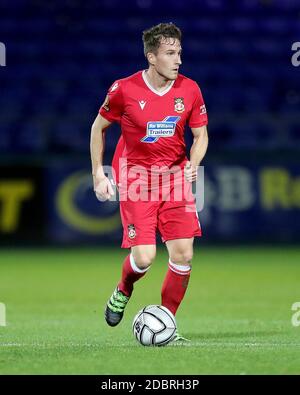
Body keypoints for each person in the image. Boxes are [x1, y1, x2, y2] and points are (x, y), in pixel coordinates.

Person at [90, 22, 208, 341]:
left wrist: (193, 164)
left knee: (183, 254)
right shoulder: (123, 90)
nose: (178, 59)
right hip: (136, 177)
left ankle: (165, 322)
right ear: (152, 57)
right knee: (144, 258)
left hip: (174, 176)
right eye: (170, 53)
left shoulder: (190, 89)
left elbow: (200, 135)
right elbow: (98, 127)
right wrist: (98, 172)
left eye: (180, 52)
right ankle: (123, 288)